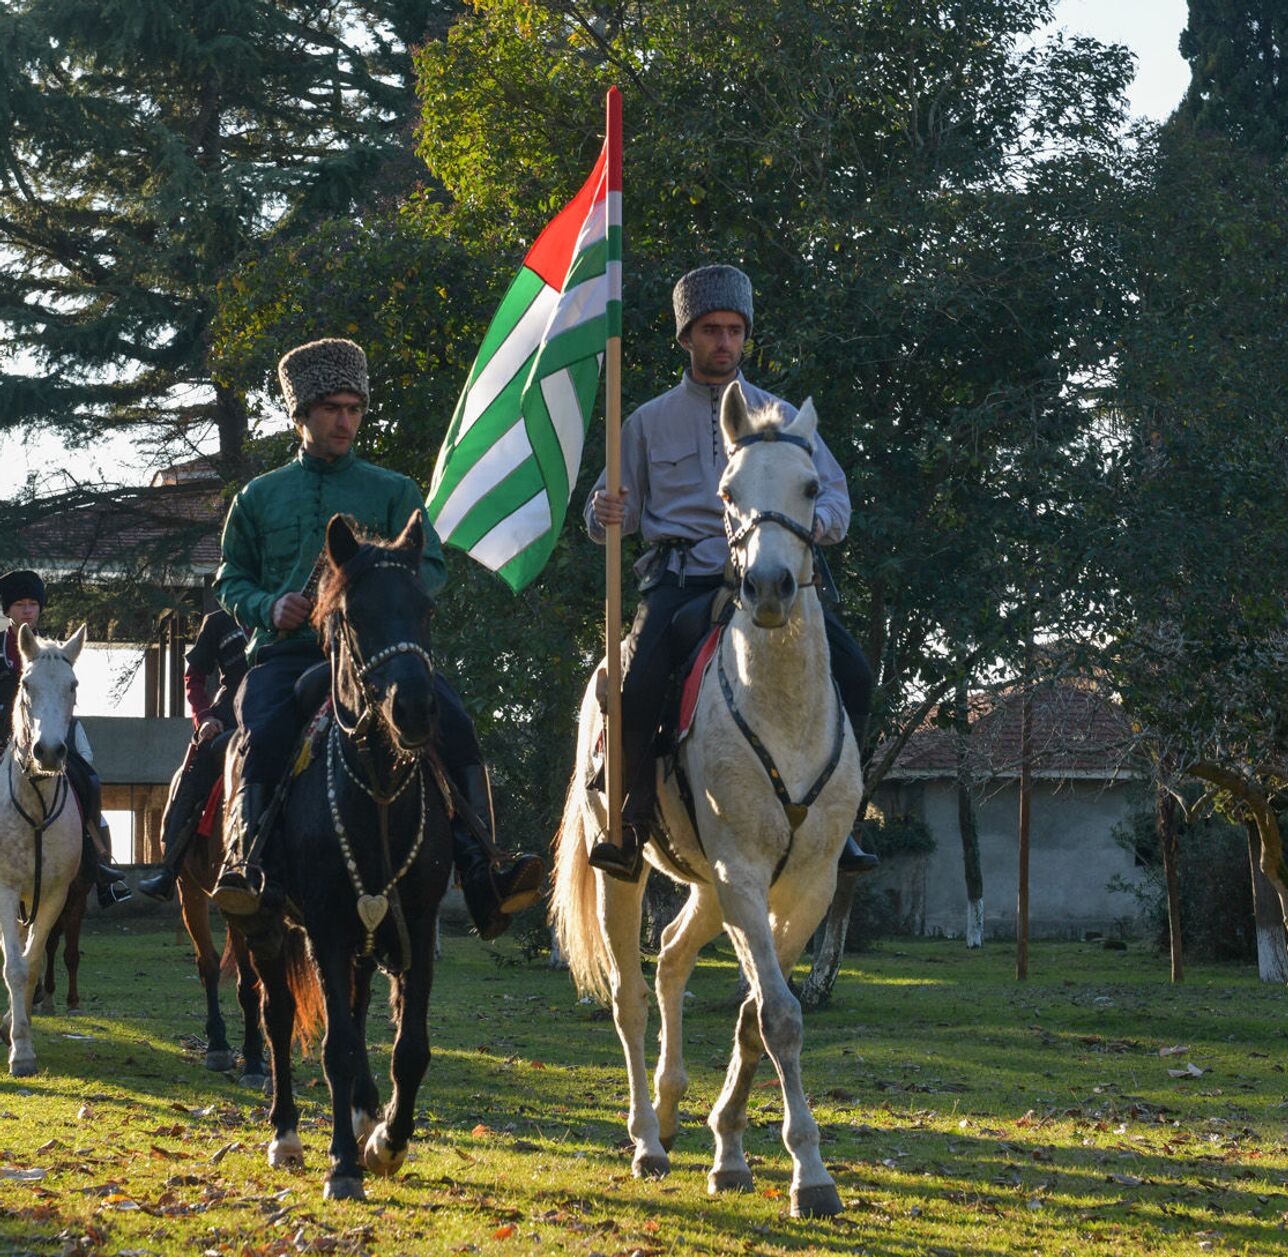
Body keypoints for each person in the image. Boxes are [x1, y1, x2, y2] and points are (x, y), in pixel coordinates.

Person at [210, 337, 542, 937]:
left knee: (457, 724)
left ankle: (483, 868)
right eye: (333, 408)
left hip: (380, 658)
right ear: (301, 414)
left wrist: (382, 587)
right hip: (287, 657)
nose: (346, 420)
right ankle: (250, 868)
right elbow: (230, 578)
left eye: (355, 409)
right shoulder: (258, 497)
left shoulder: (394, 492)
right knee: (260, 732)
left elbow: (432, 566)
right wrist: (268, 605)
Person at [584, 264, 878, 882]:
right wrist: (602, 510)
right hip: (683, 581)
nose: (724, 342)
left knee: (853, 673)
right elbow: (616, 511)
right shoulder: (644, 421)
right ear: (686, 337)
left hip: (775, 583)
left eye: (735, 330)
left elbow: (836, 502)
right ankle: (630, 818)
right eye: (711, 330)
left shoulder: (788, 418)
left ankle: (842, 819)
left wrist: (806, 526)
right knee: (637, 689)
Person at [0, 568, 130, 903]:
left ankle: (101, 866)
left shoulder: (56, 650)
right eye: (19, 605)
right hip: (3, 740)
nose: (27, 610)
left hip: (51, 732)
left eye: (32, 604)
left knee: (89, 779)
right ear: (8, 611)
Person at [136, 608, 247, 901]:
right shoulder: (219, 622)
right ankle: (169, 871)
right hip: (229, 719)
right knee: (192, 776)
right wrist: (204, 718)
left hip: (281, 709)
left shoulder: (295, 607)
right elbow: (194, 677)